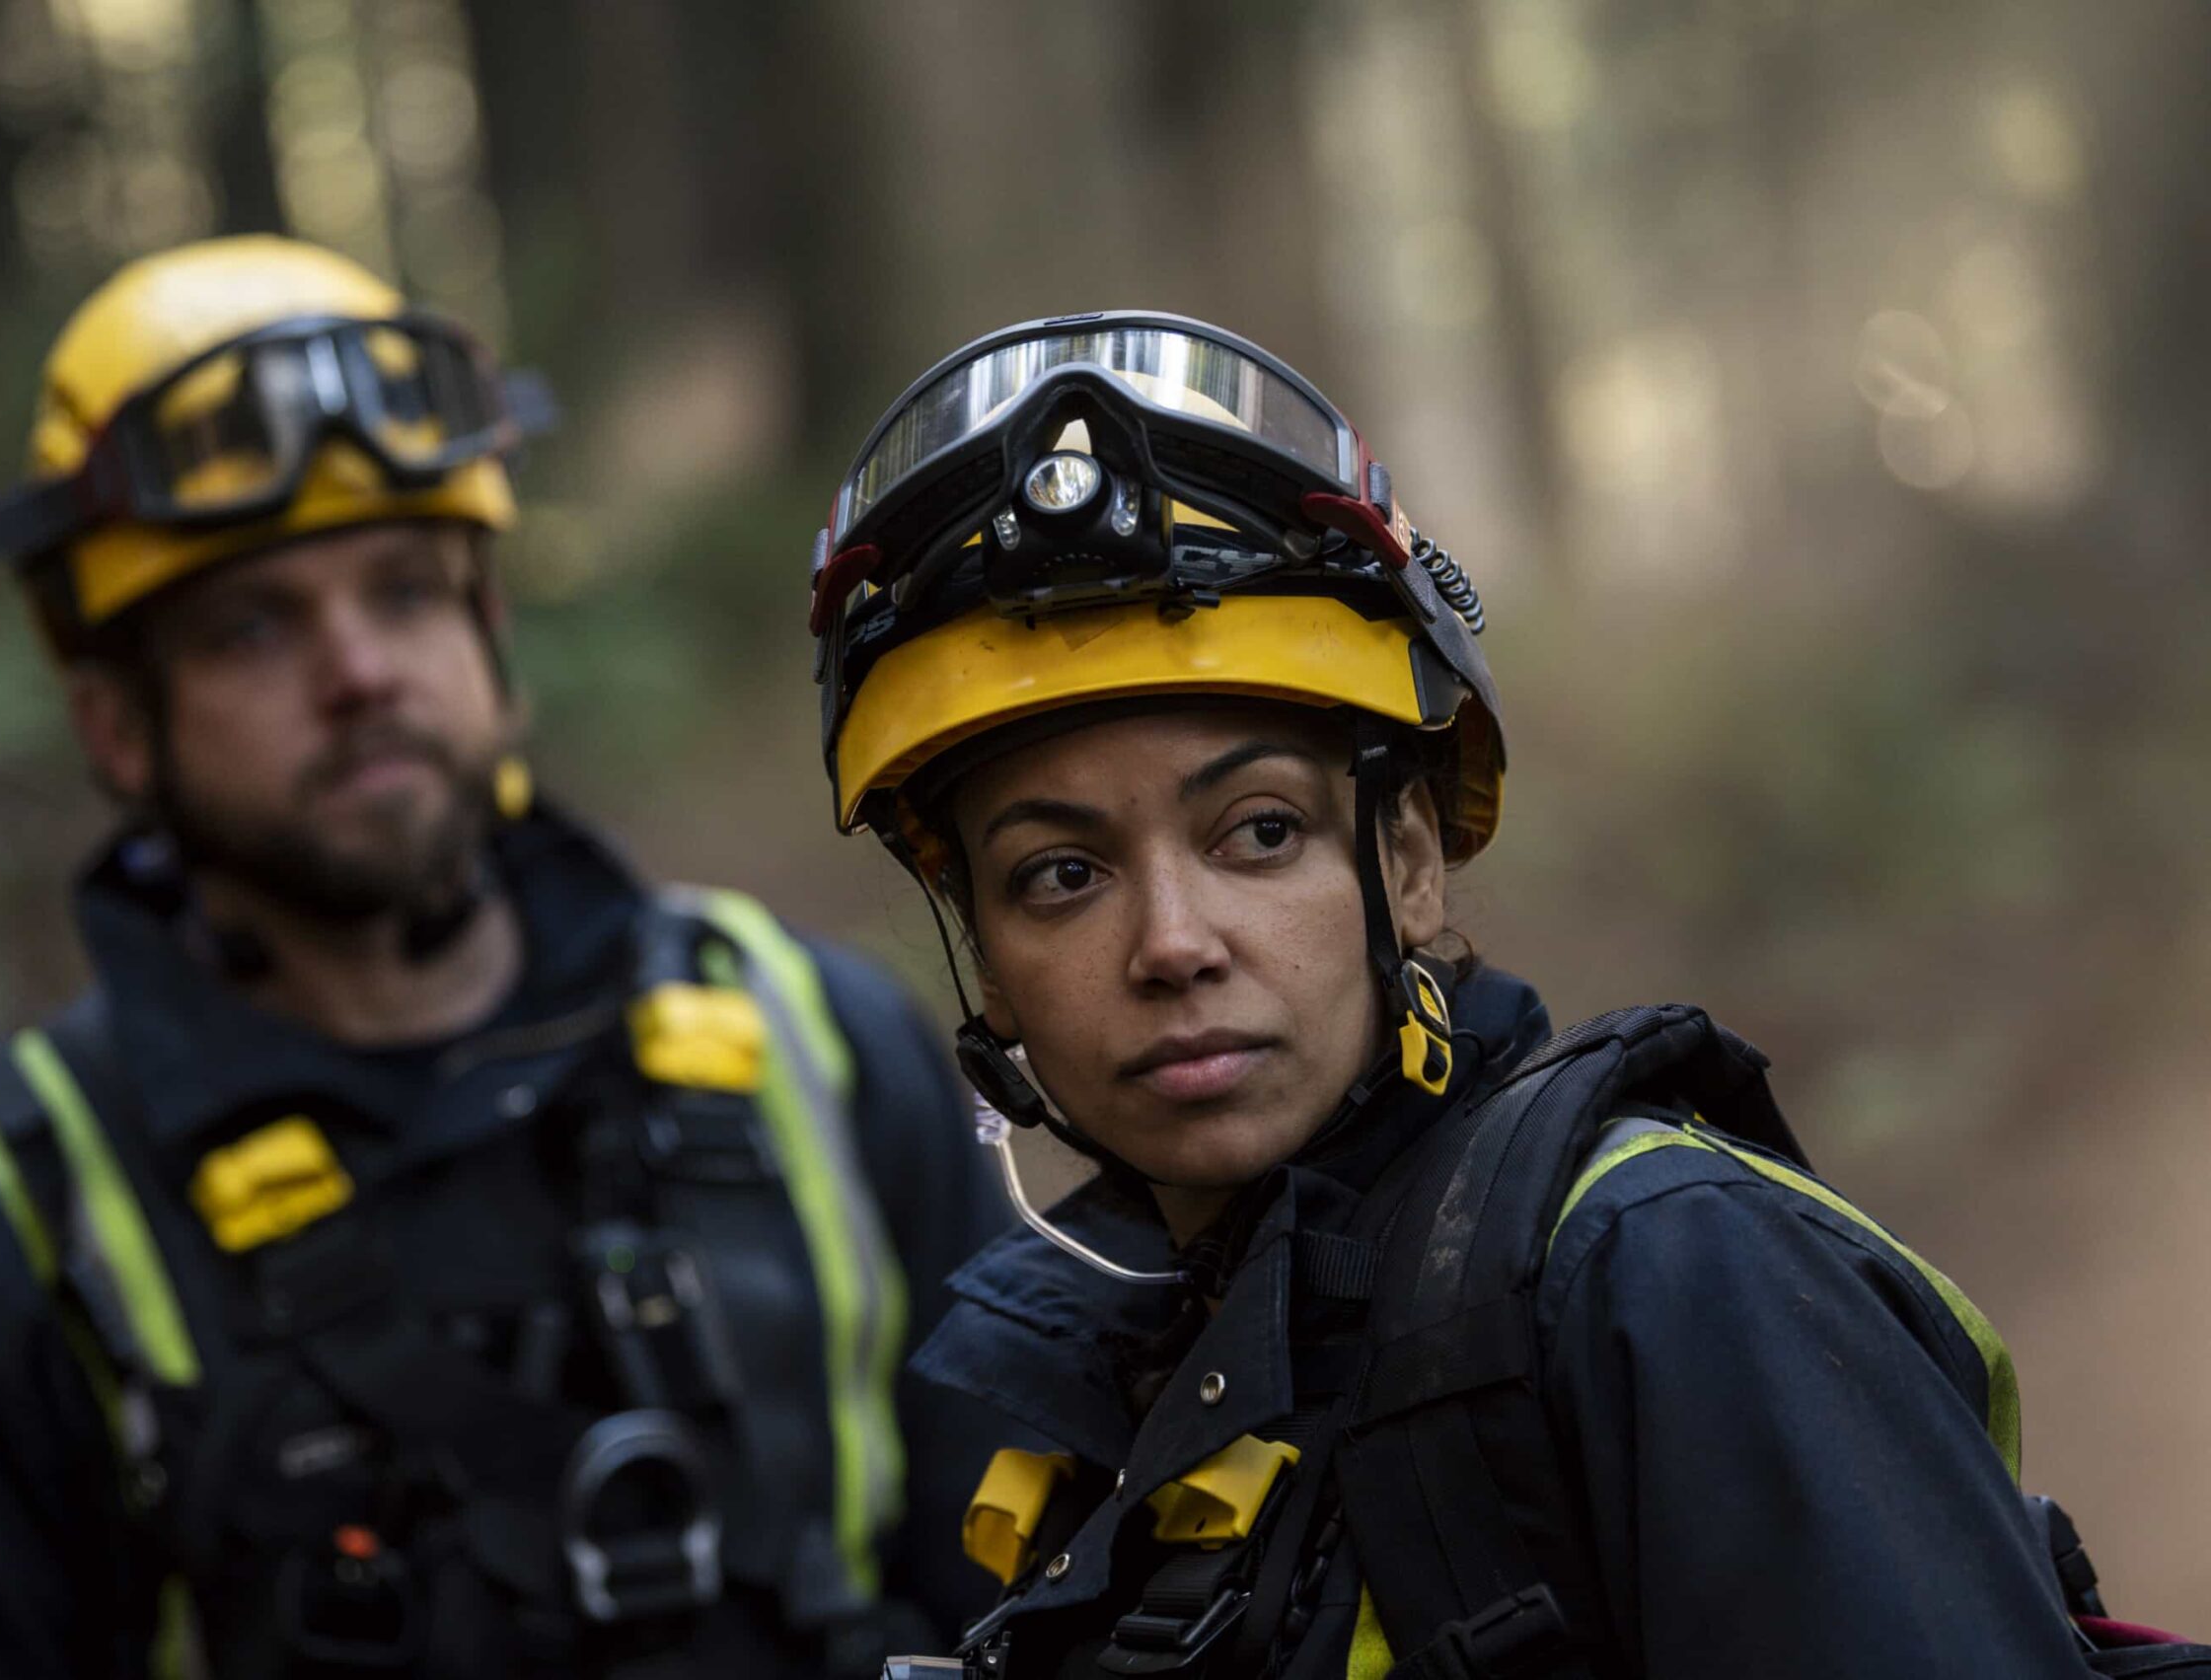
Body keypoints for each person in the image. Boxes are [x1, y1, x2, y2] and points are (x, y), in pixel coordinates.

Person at [801, 313, 2129, 1679]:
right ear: (985, 958)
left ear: (1410, 862)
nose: (1173, 943)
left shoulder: (1667, 1275)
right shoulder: (1089, 1375)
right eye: (1061, 874)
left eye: (1258, 832)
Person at [0, 235, 1006, 1680]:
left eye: (407, 589)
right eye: (253, 626)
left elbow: (1032, 1605)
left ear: (492, 628)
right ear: (116, 723)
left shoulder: (824, 1051)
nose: (359, 668)